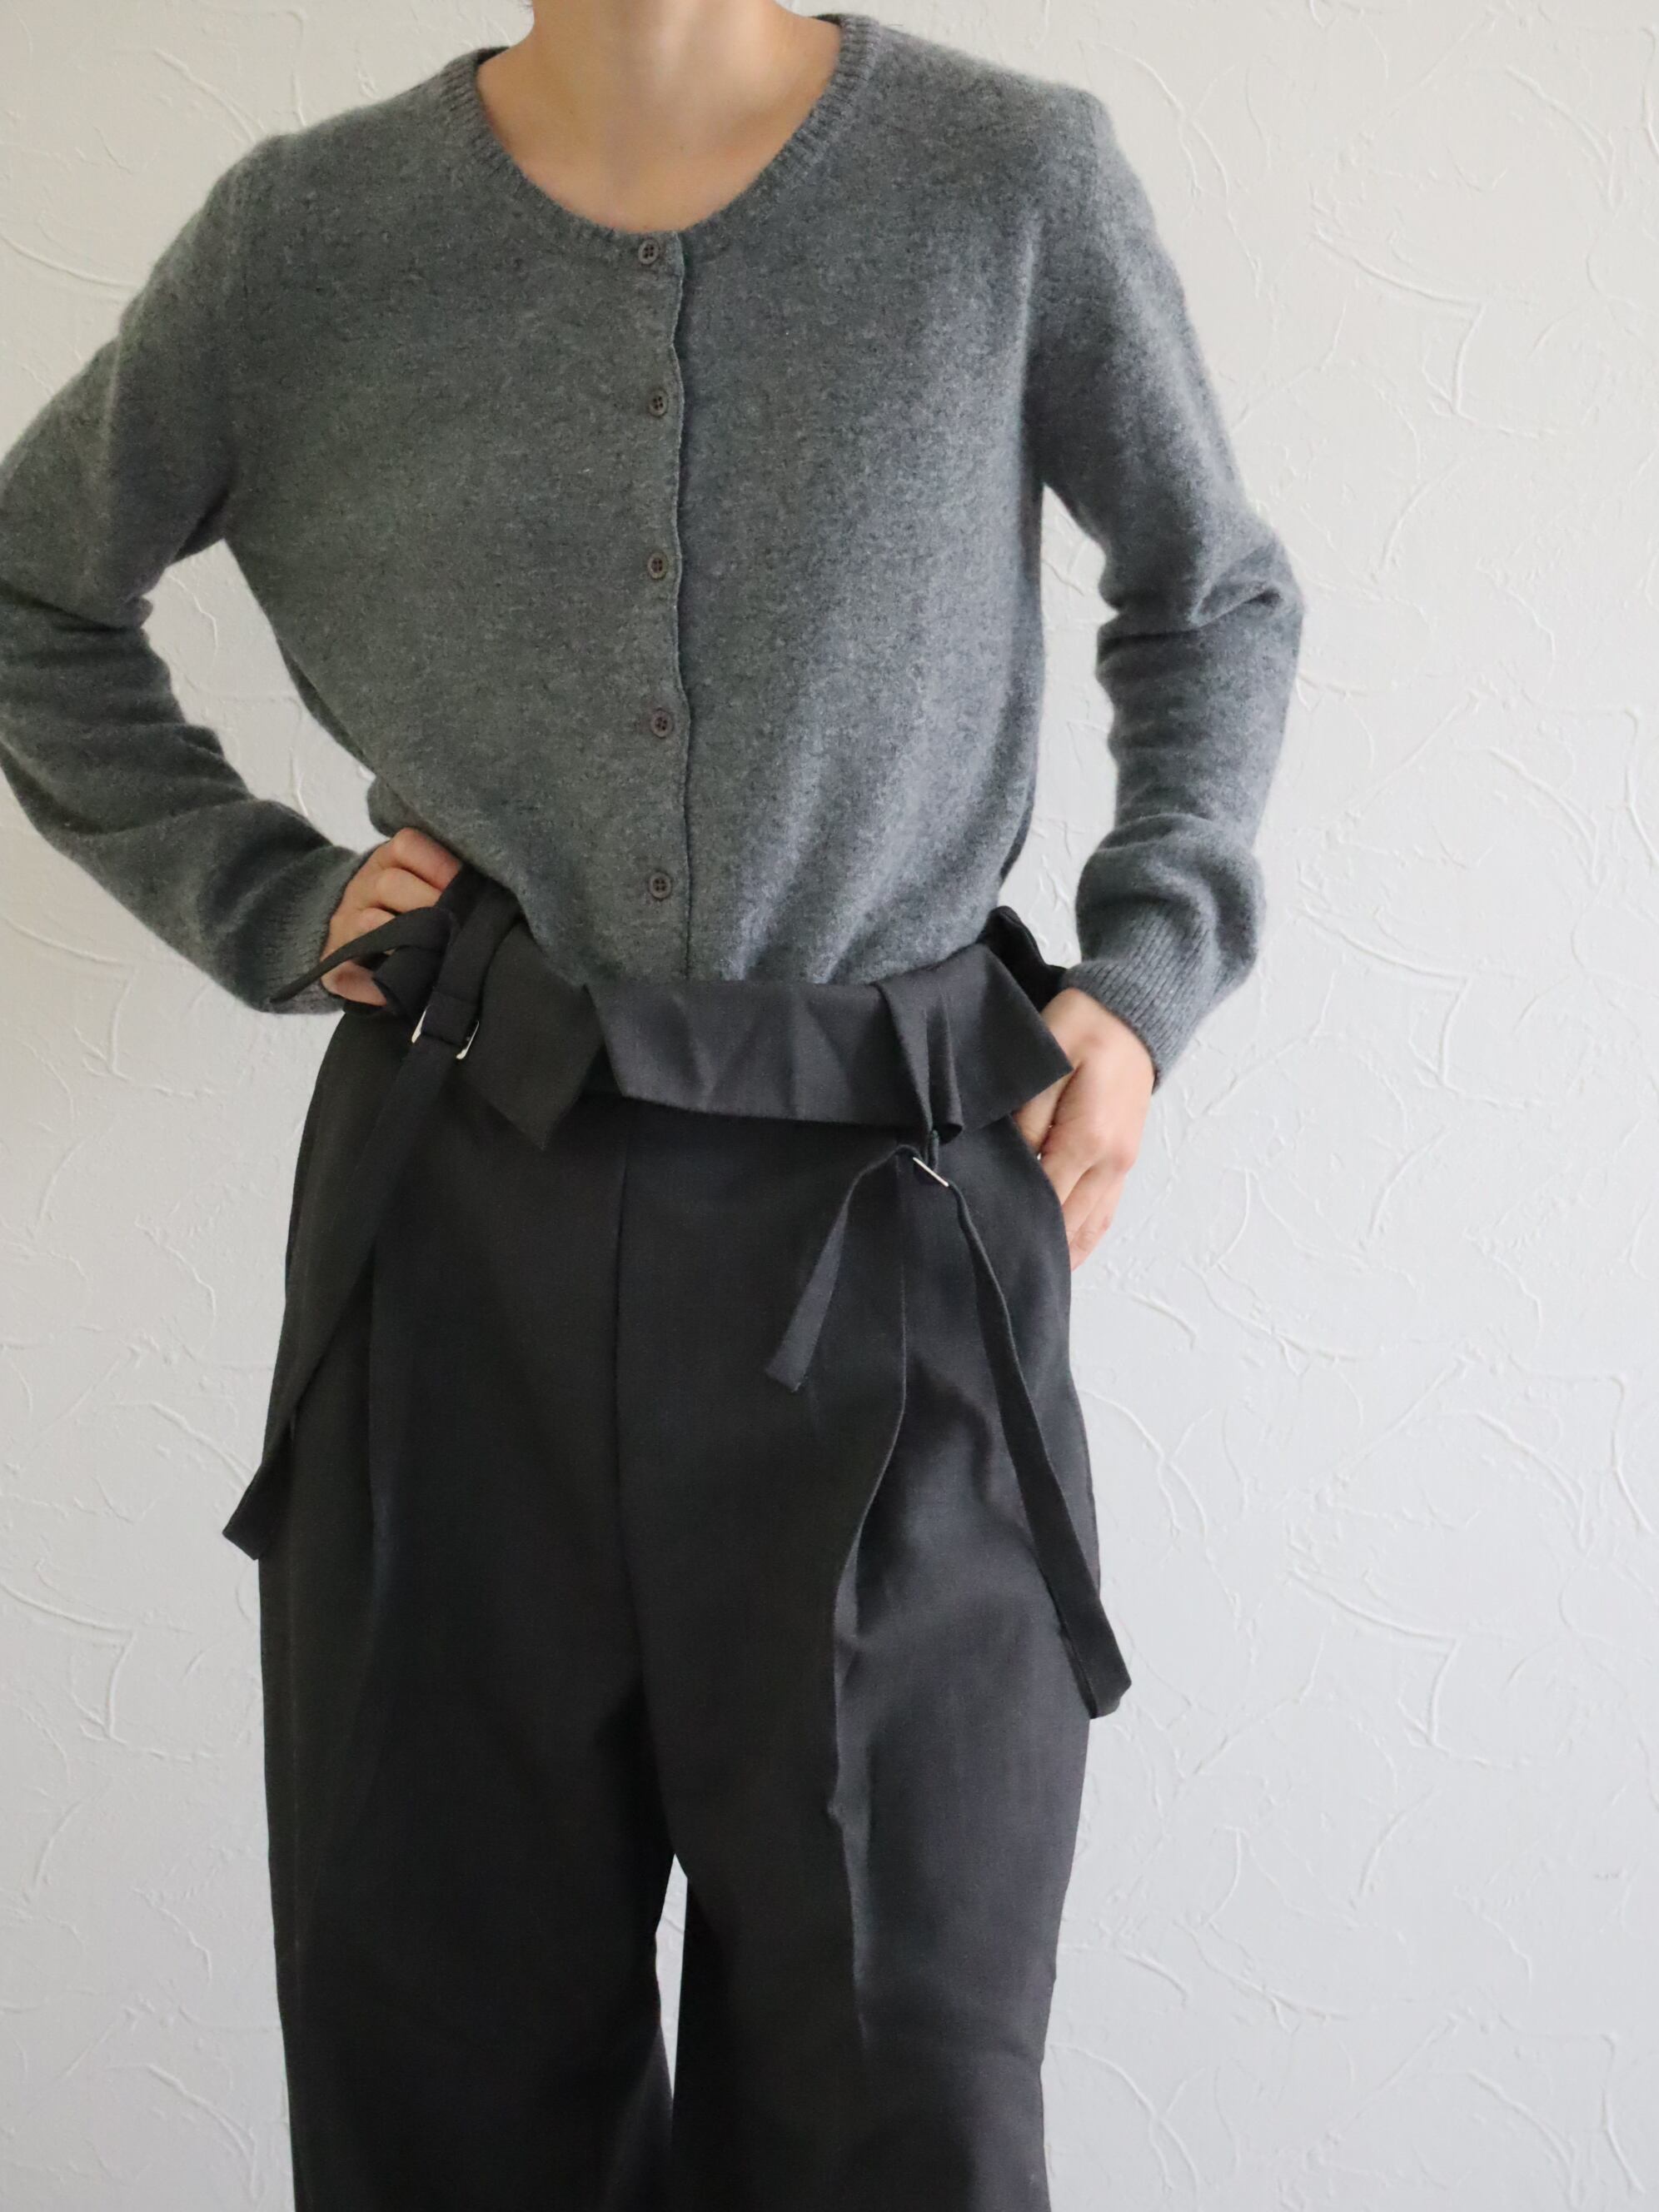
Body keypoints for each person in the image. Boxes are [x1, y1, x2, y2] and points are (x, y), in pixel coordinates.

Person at [0, 4, 1303, 2205]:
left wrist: (1144, 977)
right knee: (448, 2066)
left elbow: (1214, 591)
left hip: (894, 1234)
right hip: (462, 1233)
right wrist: (273, 897)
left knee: (901, 2089)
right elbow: (34, 588)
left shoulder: (1006, 185)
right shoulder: (306, 239)